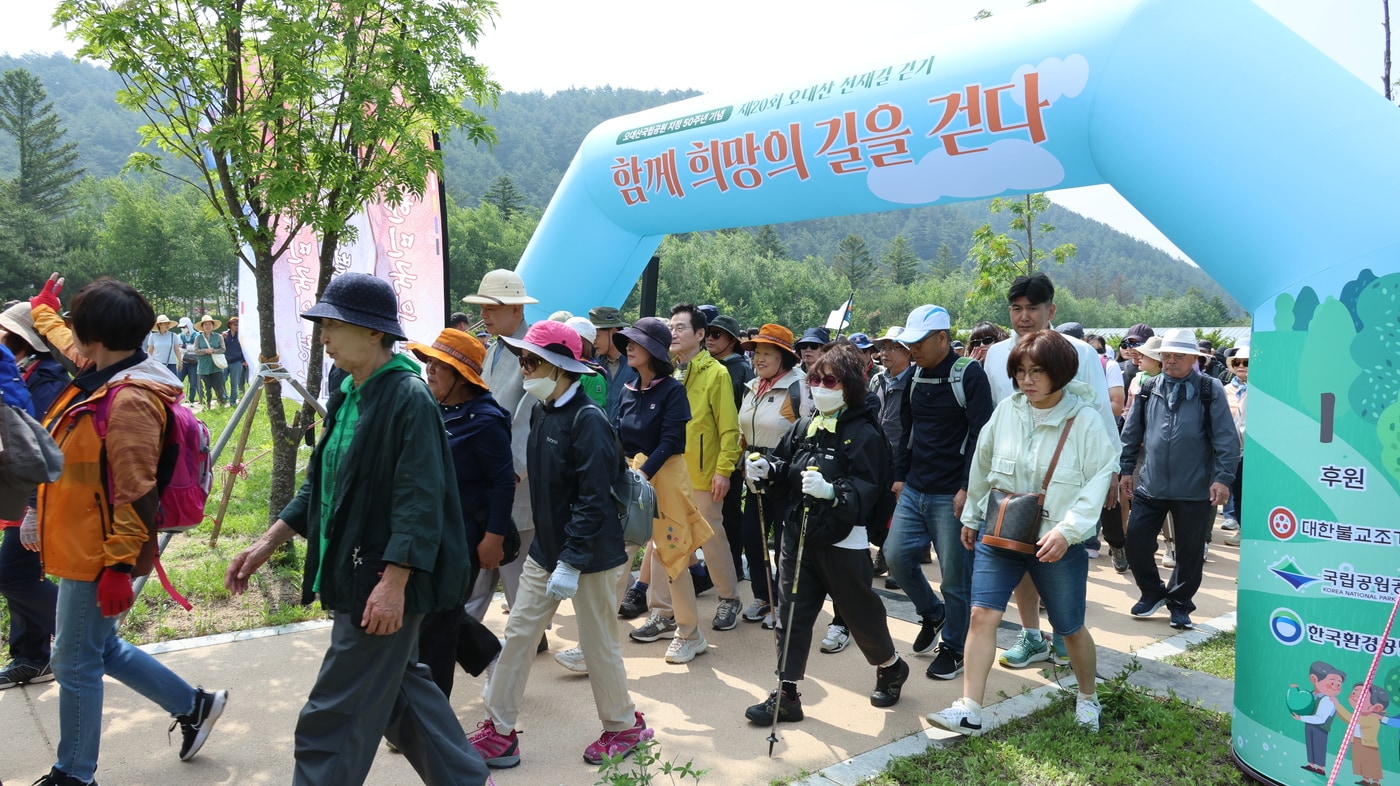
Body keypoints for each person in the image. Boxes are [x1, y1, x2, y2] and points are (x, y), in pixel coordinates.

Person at [224, 273, 487, 786]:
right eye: (322, 324)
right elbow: (322, 484)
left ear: (373, 332)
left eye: (333, 325)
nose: (323, 336)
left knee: (333, 716)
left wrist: (394, 583)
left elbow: (420, 498)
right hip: (355, 570)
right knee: (399, 696)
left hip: (380, 578)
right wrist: (267, 541)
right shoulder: (350, 393)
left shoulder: (407, 397)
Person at [28, 277, 228, 786]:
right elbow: (70, 345)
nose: (73, 338)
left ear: (96, 335)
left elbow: (136, 493)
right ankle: (195, 705)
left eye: (76, 324)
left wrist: (118, 566)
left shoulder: (131, 399)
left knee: (73, 662)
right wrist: (43, 313)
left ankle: (73, 774)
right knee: (101, 648)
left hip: (100, 551)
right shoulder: (107, 367)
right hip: (85, 542)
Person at [467, 320, 647, 769]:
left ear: (563, 368)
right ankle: (500, 729)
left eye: (533, 362)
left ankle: (624, 726)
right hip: (546, 552)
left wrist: (571, 560)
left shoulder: (589, 422)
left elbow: (594, 502)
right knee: (518, 637)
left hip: (591, 556)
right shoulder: (542, 409)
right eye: (523, 361)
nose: (524, 369)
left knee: (599, 643)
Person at [927, 330, 1116, 736]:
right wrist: (973, 517)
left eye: (1038, 372)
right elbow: (983, 466)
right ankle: (969, 707)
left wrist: (1069, 531)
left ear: (1060, 373)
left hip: (1057, 541)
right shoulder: (1007, 411)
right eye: (1021, 372)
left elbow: (1097, 480)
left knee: (1069, 627)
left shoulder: (1083, 420)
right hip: (1002, 532)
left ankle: (1087, 697)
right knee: (982, 614)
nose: (1027, 380)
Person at [742, 344, 908, 725]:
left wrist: (834, 492)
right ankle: (786, 693)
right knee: (791, 613)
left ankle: (890, 666)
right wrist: (767, 469)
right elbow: (787, 466)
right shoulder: (806, 424)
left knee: (858, 613)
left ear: (849, 385)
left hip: (842, 540)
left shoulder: (866, 434)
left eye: (829, 380)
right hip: (797, 534)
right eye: (814, 378)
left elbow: (868, 490)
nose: (819, 386)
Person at [979, 274, 1115, 670]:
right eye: (1016, 309)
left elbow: (1100, 414)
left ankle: (1062, 636)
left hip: (1067, 474)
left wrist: (1111, 473)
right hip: (1015, 477)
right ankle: (1030, 634)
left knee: (1059, 554)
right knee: (1017, 547)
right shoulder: (997, 353)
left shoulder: (1080, 353)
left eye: (1032, 309)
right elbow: (992, 418)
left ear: (1050, 311)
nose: (1024, 317)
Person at [884, 304, 993, 682]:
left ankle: (954, 646)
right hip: (915, 487)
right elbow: (906, 431)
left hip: (952, 493)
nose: (912, 349)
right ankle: (933, 612)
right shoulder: (914, 376)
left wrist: (968, 487)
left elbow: (982, 435)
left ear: (943, 338)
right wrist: (900, 477)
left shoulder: (969, 375)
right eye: (908, 342)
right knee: (894, 556)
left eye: (919, 342)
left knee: (954, 577)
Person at [404, 329, 514, 697]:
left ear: (461, 375)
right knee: (434, 612)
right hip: (426, 534)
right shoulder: (434, 408)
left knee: (436, 625)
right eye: (429, 363)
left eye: (440, 366)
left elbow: (502, 483)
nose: (430, 371)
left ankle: (428, 718)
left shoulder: (486, 420)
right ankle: (489, 653)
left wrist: (493, 539)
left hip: (464, 540)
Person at [1120, 328, 1240, 631]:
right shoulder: (1148, 388)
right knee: (1135, 540)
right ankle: (1152, 593)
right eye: (1167, 355)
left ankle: (1180, 604)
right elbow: (1131, 433)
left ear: (1193, 359)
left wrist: (1222, 479)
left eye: (1179, 355)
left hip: (1195, 486)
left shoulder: (1209, 389)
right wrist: (1124, 470)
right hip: (1151, 483)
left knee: (1189, 551)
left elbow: (1227, 440)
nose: (1171, 360)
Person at [615, 317, 714, 663]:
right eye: (627, 340)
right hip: (632, 478)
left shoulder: (672, 390)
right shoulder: (628, 389)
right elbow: (618, 437)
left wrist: (643, 474)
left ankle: (689, 633)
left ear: (653, 352)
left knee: (673, 556)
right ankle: (596, 641)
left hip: (666, 479)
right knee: (618, 555)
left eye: (636, 342)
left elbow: (673, 440)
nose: (628, 346)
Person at [641, 303, 743, 633]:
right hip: (667, 471)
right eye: (670, 326)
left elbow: (730, 428)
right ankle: (661, 611)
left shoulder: (716, 373)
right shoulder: (664, 370)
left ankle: (728, 597)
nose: (673, 332)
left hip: (701, 474)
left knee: (711, 538)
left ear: (700, 334)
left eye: (680, 327)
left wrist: (723, 470)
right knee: (662, 541)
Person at [460, 269, 540, 642]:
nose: (485, 315)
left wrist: (514, 474)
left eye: (492, 307)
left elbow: (530, 418)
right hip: (489, 480)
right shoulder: (495, 347)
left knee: (514, 568)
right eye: (483, 308)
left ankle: (529, 635)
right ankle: (456, 634)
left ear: (515, 309)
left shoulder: (532, 351)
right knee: (484, 567)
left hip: (514, 483)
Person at [0, 300, 69, 690]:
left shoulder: (46, 384)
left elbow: (47, 449)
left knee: (10, 575)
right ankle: (30, 656)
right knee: (20, 575)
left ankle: (87, 629)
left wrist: (31, 511)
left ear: (21, 341)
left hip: (40, 499)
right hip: (21, 494)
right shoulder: (20, 375)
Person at [734, 323, 803, 626]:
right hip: (753, 474)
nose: (758, 358)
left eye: (766, 353)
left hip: (785, 475)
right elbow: (743, 430)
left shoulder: (799, 387)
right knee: (752, 537)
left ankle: (785, 603)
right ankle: (764, 596)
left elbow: (805, 433)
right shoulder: (752, 387)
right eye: (756, 352)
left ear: (784, 357)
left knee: (786, 544)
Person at [706, 313, 754, 583]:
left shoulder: (738, 369)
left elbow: (740, 415)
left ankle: (733, 566)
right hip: (705, 452)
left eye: (717, 334)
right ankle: (716, 567)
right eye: (708, 333)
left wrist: (737, 455)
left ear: (733, 341)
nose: (710, 338)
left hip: (729, 453)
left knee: (729, 513)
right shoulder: (707, 366)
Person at [589, 306, 638, 422]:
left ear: (613, 332)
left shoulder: (636, 363)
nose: (593, 341)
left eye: (596, 335)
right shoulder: (593, 366)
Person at [1222, 346, 1248, 546]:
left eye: (1246, 362)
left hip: (1256, 451)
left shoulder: (1263, 388)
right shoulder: (1225, 390)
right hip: (1233, 450)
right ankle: (1241, 528)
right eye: (1237, 363)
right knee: (1237, 491)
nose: (1241, 366)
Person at [565, 315, 609, 409]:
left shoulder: (593, 376)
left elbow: (594, 415)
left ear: (582, 342)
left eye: (569, 338)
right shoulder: (561, 368)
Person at [192, 314, 226, 408]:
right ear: (202, 326)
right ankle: (206, 406)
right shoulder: (198, 338)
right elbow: (195, 351)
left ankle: (221, 404)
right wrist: (205, 351)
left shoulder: (219, 337)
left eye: (209, 324)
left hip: (216, 366)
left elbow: (223, 349)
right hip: (203, 367)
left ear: (212, 326)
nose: (208, 326)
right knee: (204, 389)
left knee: (219, 387)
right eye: (205, 324)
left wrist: (214, 351)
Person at [223, 316, 247, 403]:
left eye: (238, 325)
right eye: (235, 324)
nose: (237, 326)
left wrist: (244, 360)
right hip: (224, 362)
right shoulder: (224, 335)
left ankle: (232, 401)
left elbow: (244, 349)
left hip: (237, 362)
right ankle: (224, 397)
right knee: (222, 380)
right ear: (230, 325)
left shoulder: (241, 336)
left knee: (235, 383)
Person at [177, 316, 200, 402]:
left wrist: (184, 346)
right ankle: (178, 398)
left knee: (193, 382)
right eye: (181, 327)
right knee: (178, 380)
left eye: (184, 327)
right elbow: (178, 349)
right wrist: (188, 347)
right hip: (183, 362)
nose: (183, 329)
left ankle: (191, 400)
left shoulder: (197, 335)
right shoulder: (180, 336)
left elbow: (196, 348)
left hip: (194, 362)